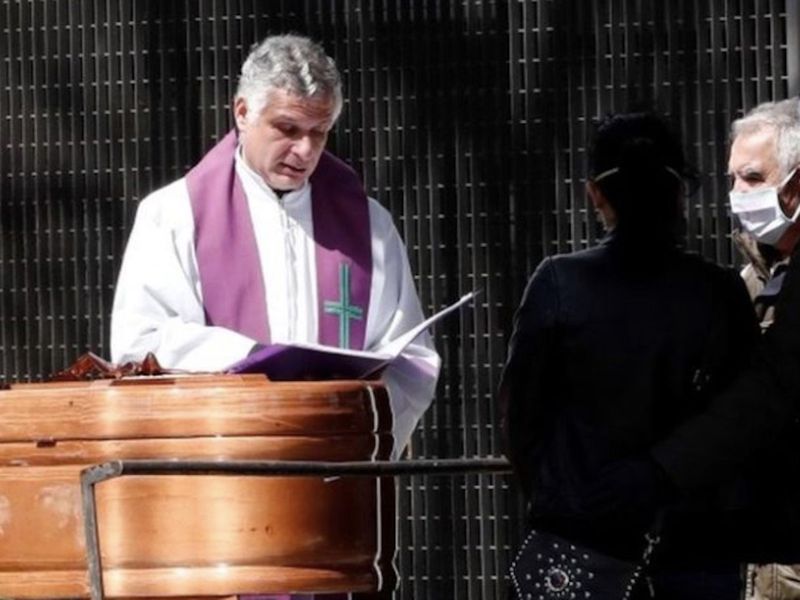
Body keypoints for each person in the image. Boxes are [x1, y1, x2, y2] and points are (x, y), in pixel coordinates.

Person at [110, 35, 441, 599]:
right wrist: (252, 361)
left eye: (319, 133)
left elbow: (412, 356)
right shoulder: (173, 215)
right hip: (218, 502)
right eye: (288, 129)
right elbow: (139, 344)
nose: (306, 151)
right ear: (242, 112)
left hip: (331, 495)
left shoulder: (368, 225)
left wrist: (353, 430)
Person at [499, 112, 760, 599]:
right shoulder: (719, 291)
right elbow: (744, 420)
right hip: (695, 549)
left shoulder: (558, 282)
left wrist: (564, 499)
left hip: (579, 547)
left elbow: (521, 420)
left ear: (595, 194)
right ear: (680, 192)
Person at [645, 98, 800, 599]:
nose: (736, 194)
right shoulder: (748, 284)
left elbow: (766, 393)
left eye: (753, 178)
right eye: (732, 179)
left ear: (796, 183)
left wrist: (660, 470)